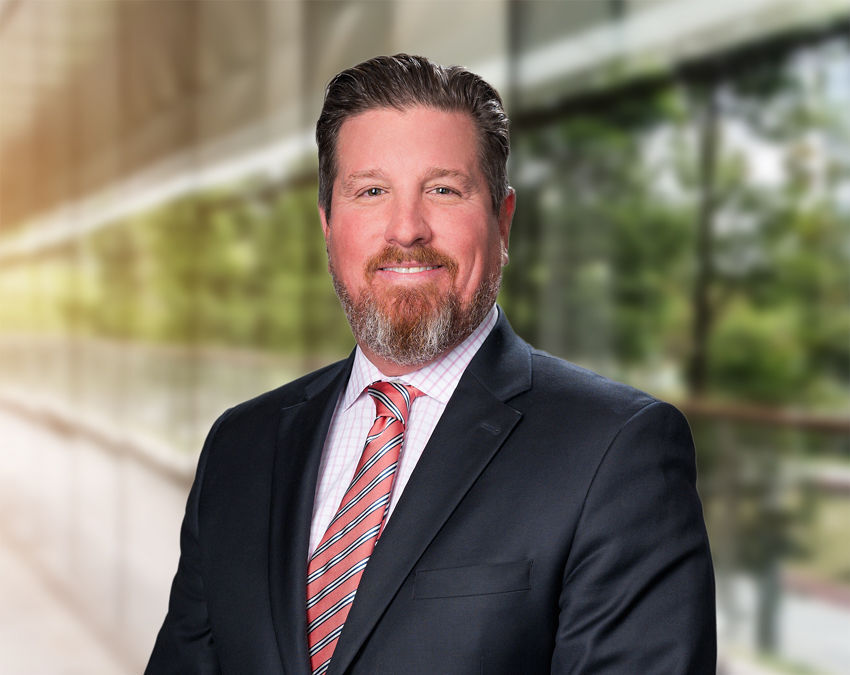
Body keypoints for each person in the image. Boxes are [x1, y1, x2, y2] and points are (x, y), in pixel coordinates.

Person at [147, 54, 716, 674]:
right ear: (328, 226)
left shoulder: (616, 450)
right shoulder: (240, 446)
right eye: (371, 192)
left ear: (503, 222)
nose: (407, 229)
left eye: (443, 190)